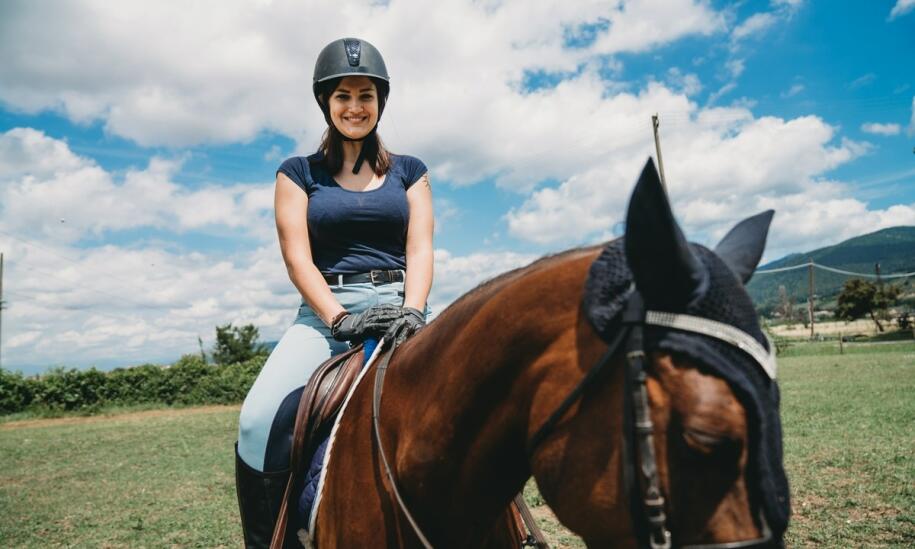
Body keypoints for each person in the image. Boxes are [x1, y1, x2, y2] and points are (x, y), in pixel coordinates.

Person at [234, 37, 434, 548]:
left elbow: (421, 248)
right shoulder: (297, 173)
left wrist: (413, 311)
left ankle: (512, 528)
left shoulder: (410, 170)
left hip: (402, 306)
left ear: (379, 103)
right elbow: (297, 257)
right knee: (258, 421)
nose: (355, 106)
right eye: (343, 96)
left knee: (477, 392)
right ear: (327, 103)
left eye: (365, 95)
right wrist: (340, 319)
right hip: (326, 316)